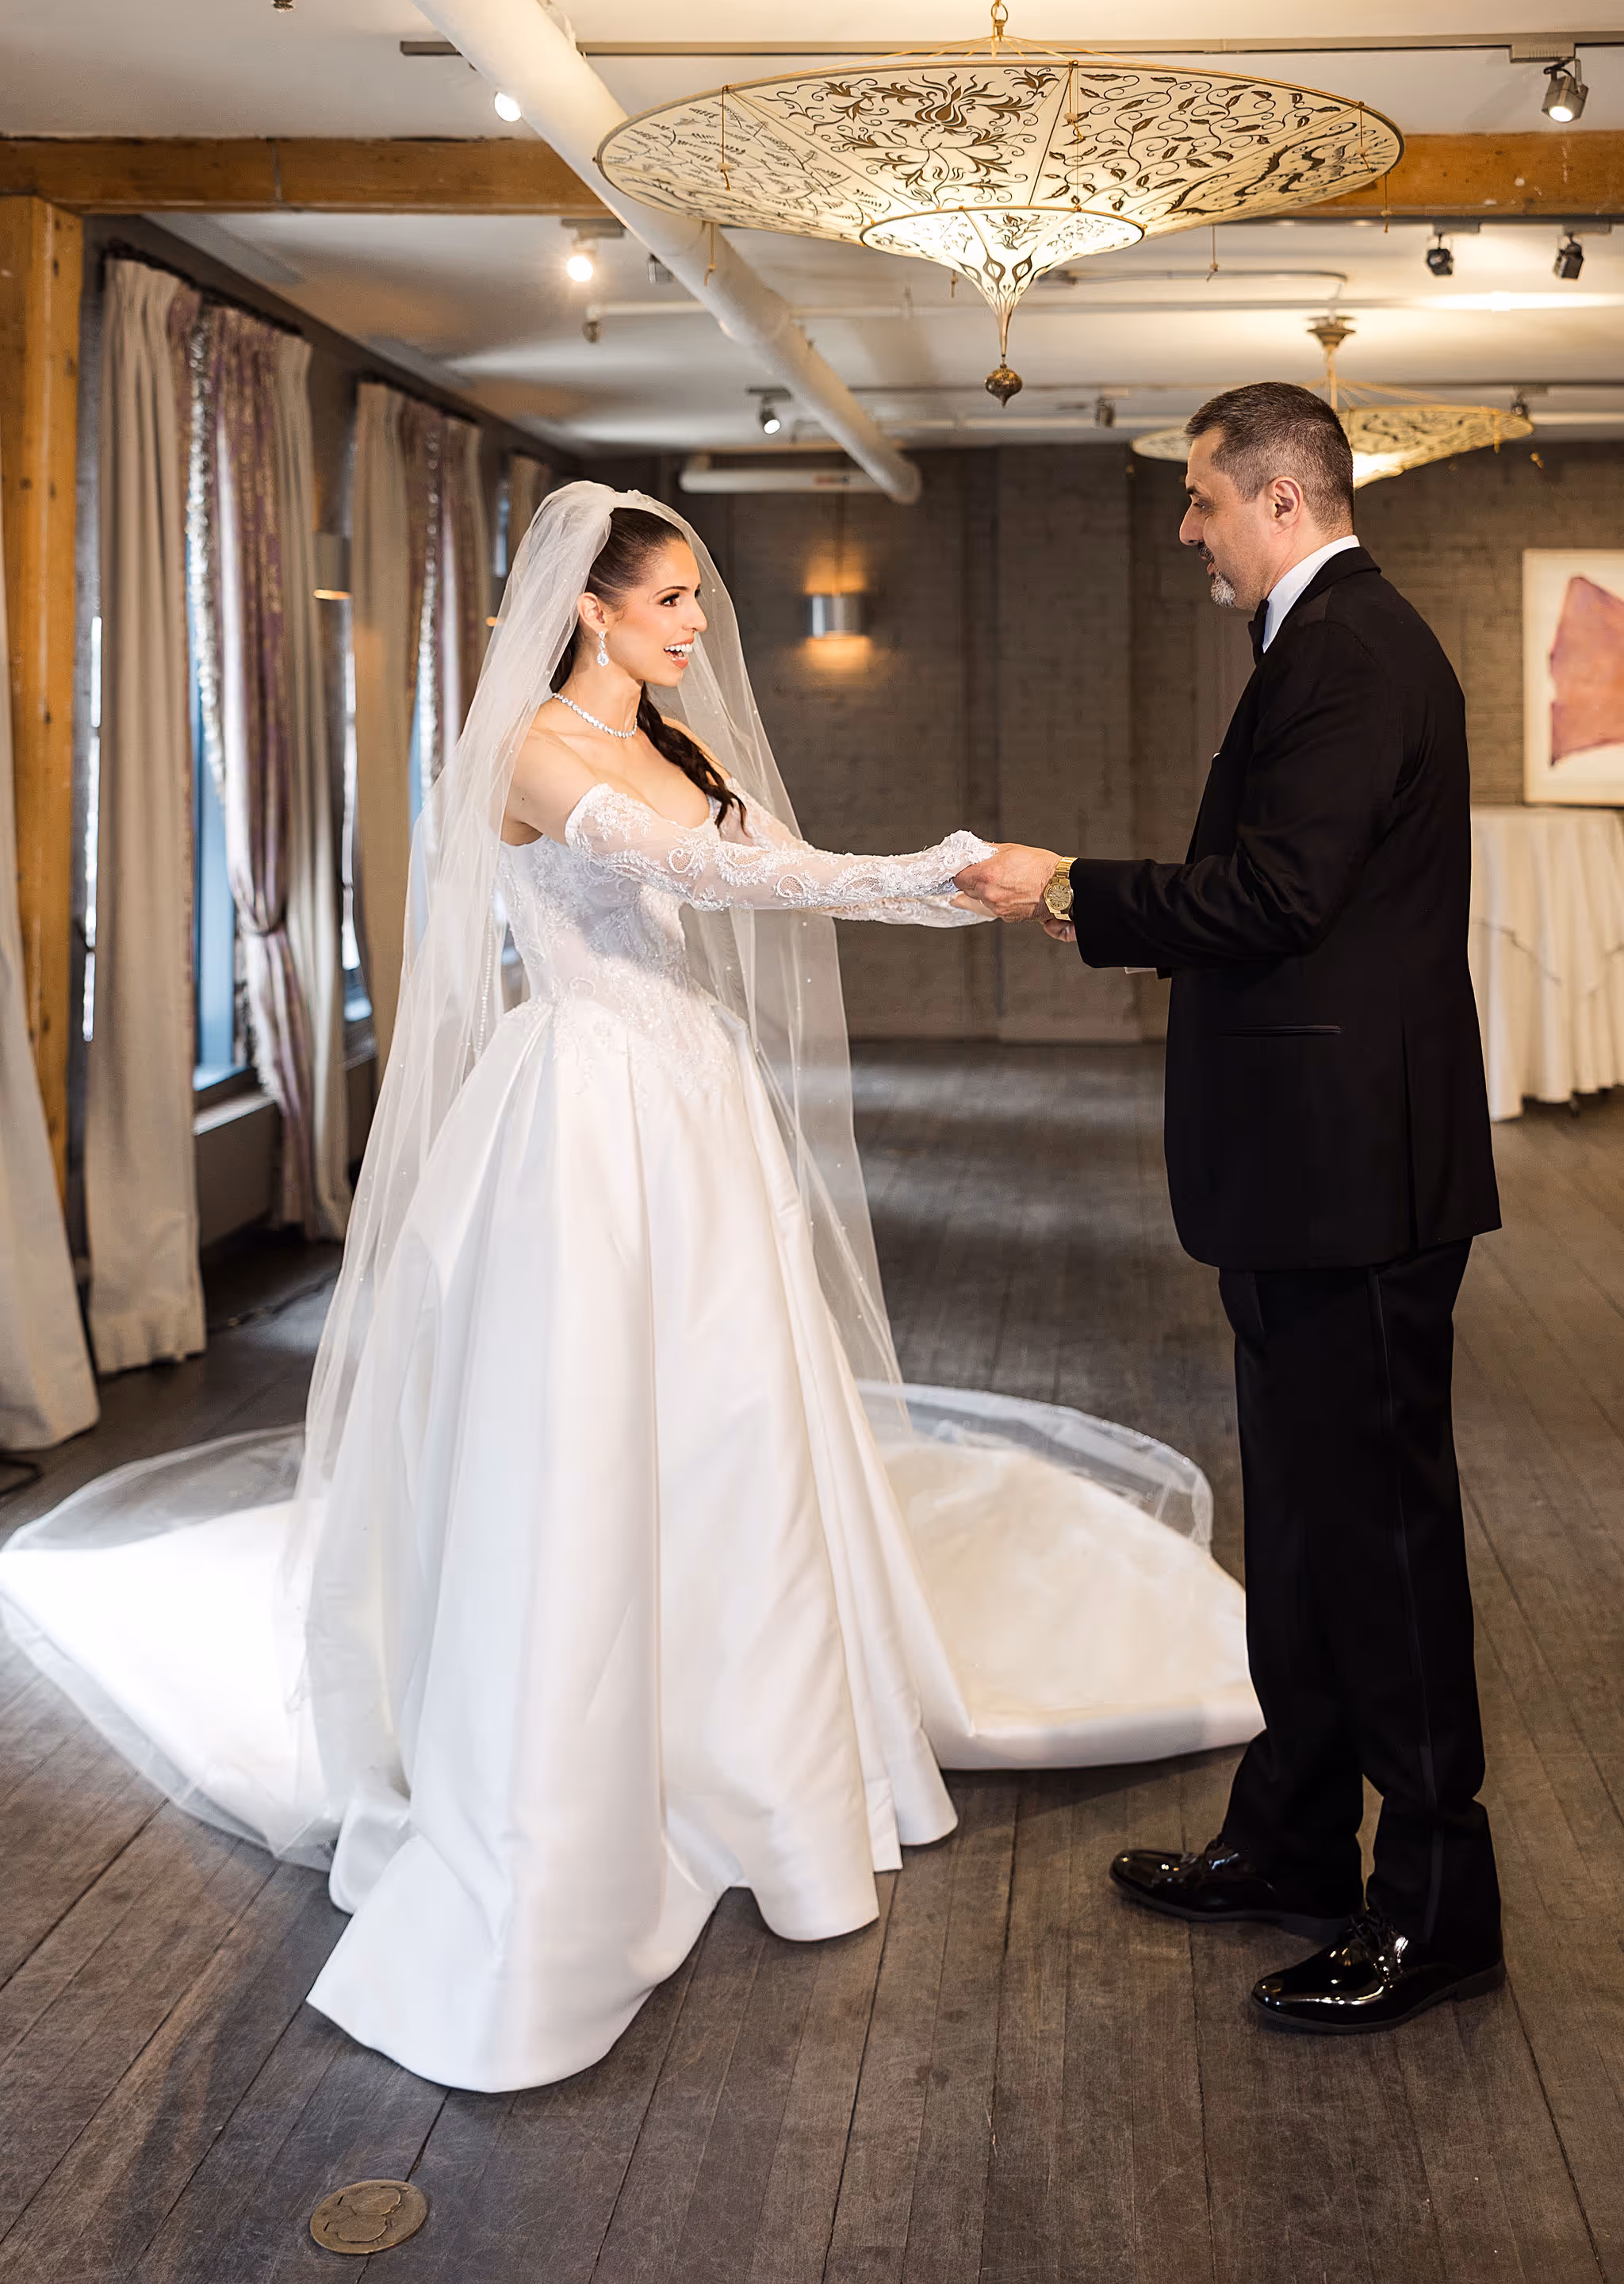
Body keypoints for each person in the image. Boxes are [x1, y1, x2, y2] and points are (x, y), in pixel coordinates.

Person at [0, 484, 1258, 2093]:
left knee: (732, 1417)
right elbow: (715, 883)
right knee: (590, 1422)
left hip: (692, 1108)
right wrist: (928, 859)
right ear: (591, 610)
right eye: (672, 604)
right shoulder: (532, 747)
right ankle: (574, 1744)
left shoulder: (678, 749)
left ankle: (757, 1735)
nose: (693, 630)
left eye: (694, 608)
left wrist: (943, 887)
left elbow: (773, 864)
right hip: (587, 1108)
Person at [957, 384, 1503, 2037]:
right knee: (1313, 1530)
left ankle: (1434, 1911)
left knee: (1381, 1547)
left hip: (1352, 1178)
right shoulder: (1324, 640)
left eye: (1198, 501)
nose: (1184, 528)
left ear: (1276, 496)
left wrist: (1069, 889)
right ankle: (1290, 1845)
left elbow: (1279, 894)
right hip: (1309, 1171)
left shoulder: (1344, 648)